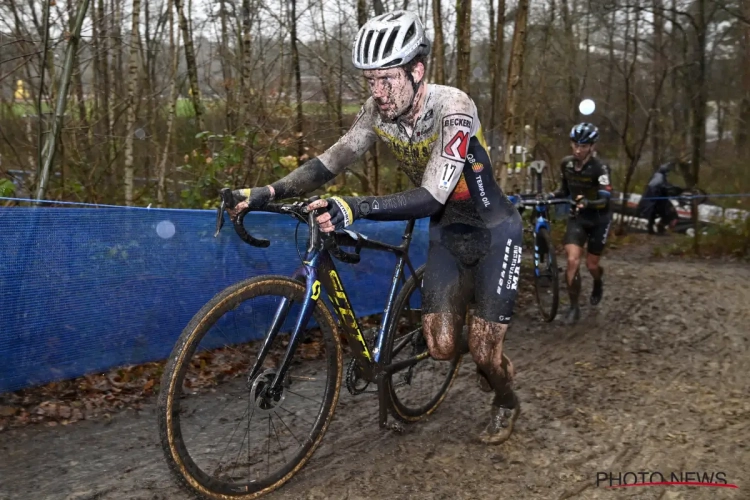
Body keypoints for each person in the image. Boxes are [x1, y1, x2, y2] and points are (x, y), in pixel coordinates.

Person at [223, 11, 524, 444]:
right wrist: (267, 192)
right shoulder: (376, 112)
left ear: (417, 71)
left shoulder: (453, 108)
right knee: (439, 347)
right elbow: (332, 161)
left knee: (482, 347)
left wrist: (356, 206)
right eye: (370, 81)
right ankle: (483, 353)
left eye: (388, 79)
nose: (379, 92)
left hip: (494, 230)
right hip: (449, 232)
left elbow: (433, 194)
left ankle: (504, 396)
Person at [552, 123, 612, 324]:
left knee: (591, 264)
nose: (578, 150)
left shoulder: (600, 168)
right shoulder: (566, 164)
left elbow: (605, 199)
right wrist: (549, 196)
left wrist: (588, 202)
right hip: (577, 217)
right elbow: (563, 191)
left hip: (599, 219)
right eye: (576, 145)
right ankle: (574, 306)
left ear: (592, 147)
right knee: (572, 261)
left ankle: (597, 280)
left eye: (584, 146)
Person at [638, 162, 678, 235]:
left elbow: (664, 186)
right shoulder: (659, 177)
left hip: (656, 200)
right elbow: (655, 187)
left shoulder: (659, 176)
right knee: (669, 213)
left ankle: (656, 228)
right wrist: (668, 188)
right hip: (656, 200)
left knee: (655, 214)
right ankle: (658, 228)